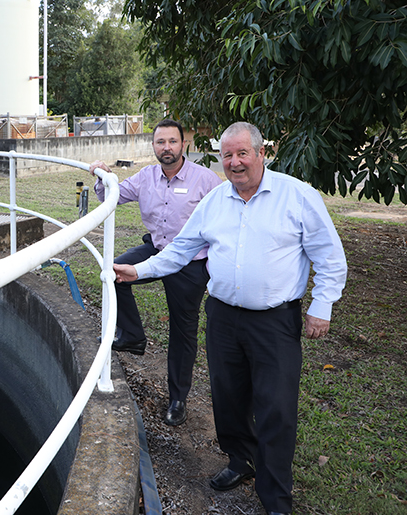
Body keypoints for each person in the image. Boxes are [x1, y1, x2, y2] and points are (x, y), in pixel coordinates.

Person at [114, 122, 347, 515]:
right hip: (222, 317)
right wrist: (139, 271)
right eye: (227, 155)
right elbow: (181, 249)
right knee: (228, 399)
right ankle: (241, 461)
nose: (234, 162)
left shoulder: (297, 196)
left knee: (275, 407)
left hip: (275, 321)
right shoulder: (216, 200)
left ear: (261, 154)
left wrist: (321, 306)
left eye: (242, 153)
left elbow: (330, 257)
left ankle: (275, 499)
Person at [89, 118, 221, 426]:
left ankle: (178, 398)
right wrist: (103, 176)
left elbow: (224, 220)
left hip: (190, 261)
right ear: (154, 147)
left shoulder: (206, 180)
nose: (167, 148)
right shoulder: (145, 177)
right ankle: (133, 336)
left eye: (172, 142)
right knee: (114, 273)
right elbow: (113, 197)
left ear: (183, 145)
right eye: (160, 142)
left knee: (182, 329)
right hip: (156, 248)